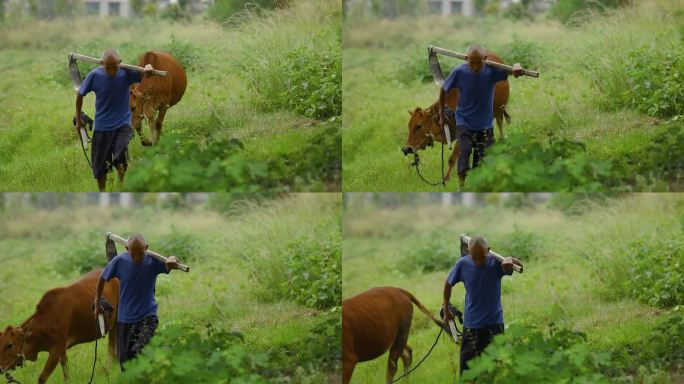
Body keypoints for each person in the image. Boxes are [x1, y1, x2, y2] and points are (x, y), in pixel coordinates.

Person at [438, 45, 523, 185]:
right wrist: (441, 114)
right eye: (472, 62)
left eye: (479, 63)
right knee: (464, 151)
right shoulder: (459, 72)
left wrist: (516, 67)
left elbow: (511, 72)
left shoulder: (491, 72)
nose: (476, 66)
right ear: (466, 59)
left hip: (485, 124)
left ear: (485, 59)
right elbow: (444, 90)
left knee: (482, 158)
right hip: (464, 122)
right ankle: (461, 183)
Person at [75, 49, 158, 191]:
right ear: (102, 63)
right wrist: (78, 117)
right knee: (100, 167)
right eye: (108, 67)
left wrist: (148, 69)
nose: (112, 70)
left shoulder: (126, 73)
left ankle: (122, 186)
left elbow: (144, 73)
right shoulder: (94, 75)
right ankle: (103, 191)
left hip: (122, 125)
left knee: (120, 156)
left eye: (115, 67)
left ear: (120, 63)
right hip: (102, 127)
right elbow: (80, 94)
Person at [94, 233, 179, 370]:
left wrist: (173, 259)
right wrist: (97, 302)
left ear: (146, 248)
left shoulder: (153, 261)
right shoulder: (120, 261)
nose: (137, 257)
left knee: (140, 351)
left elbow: (171, 264)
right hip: (125, 319)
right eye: (133, 253)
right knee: (125, 364)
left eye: (140, 253)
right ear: (127, 249)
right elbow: (102, 279)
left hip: (147, 317)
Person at [442, 235, 523, 374]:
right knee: (467, 373)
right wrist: (446, 309)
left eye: (481, 256)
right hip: (471, 325)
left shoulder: (497, 263)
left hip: (494, 325)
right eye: (474, 257)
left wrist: (511, 259)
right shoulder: (462, 264)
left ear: (488, 250)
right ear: (468, 251)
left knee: (495, 370)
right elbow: (448, 284)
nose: (478, 261)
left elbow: (520, 267)